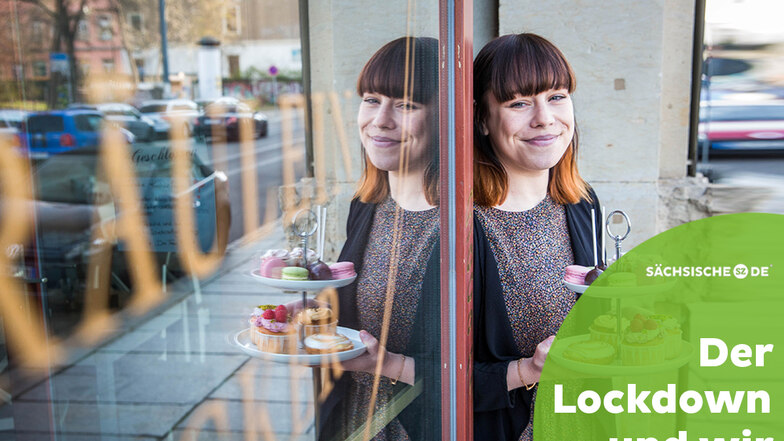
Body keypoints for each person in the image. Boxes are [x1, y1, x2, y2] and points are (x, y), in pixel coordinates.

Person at [472, 33, 604, 441]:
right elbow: (425, 372)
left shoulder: (582, 202)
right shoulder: (458, 223)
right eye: (518, 103)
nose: (544, 118)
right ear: (482, 119)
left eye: (557, 96)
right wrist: (525, 371)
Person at [318, 36, 441, 441]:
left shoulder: (466, 222)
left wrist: (391, 364)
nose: (381, 120)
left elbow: (484, 367)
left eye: (407, 105)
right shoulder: (367, 205)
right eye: (372, 99)